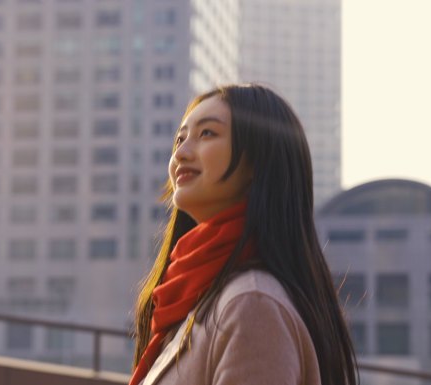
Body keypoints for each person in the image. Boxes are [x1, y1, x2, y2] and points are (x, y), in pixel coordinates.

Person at [129, 84, 357, 385]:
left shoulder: (253, 304)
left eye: (207, 133)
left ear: (257, 160)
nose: (181, 153)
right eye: (180, 139)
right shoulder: (195, 298)